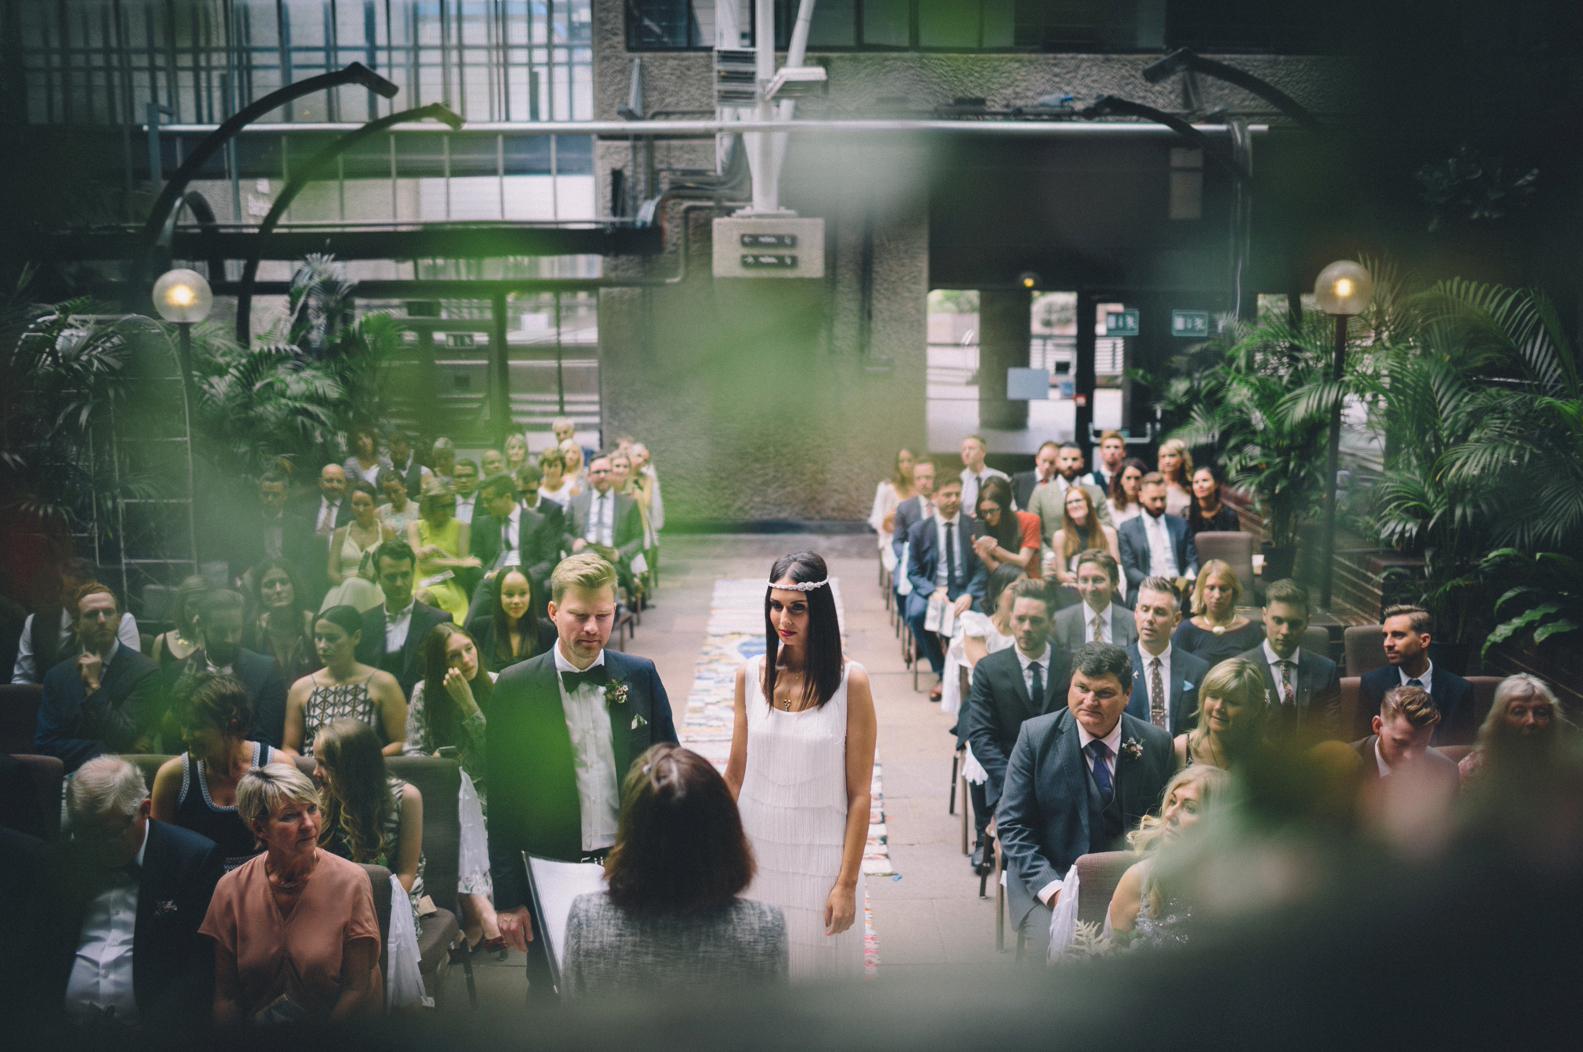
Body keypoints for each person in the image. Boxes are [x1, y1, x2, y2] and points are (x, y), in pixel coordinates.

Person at [486, 552, 678, 988]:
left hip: (631, 863)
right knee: (553, 989)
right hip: (553, 867)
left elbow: (671, 775)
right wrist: (510, 899)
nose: (592, 628)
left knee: (640, 987)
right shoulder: (514, 689)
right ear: (553, 612)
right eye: (579, 616)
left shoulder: (640, 675)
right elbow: (502, 802)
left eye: (603, 615)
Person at [726, 552, 876, 980]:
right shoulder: (749, 675)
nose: (783, 618)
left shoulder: (852, 683)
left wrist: (845, 884)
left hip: (821, 859)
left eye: (797, 608)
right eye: (776, 605)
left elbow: (860, 795)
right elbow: (734, 775)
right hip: (756, 855)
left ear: (820, 611)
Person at [994, 642, 1174, 960]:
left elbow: (1164, 824)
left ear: (1127, 693)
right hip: (1050, 881)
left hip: (1131, 883)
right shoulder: (1035, 738)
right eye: (1081, 688)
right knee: (1051, 960)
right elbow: (1012, 826)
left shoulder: (1156, 744)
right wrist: (1055, 893)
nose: (1089, 701)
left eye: (1103, 693)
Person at [565, 743, 788, 997]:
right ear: (725, 833)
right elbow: (773, 1030)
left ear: (630, 833)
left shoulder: (587, 921)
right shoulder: (763, 929)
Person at [36, 756, 225, 1029]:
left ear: (144, 810)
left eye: (110, 835)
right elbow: (37, 957)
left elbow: (198, 972)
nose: (94, 849)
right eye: (84, 835)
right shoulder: (60, 859)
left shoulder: (193, 860)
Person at [201, 762, 380, 1023]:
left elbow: (356, 989)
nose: (308, 824)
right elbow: (226, 996)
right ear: (259, 828)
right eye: (289, 815)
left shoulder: (351, 882)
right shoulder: (230, 889)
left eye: (312, 808)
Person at [403, 624, 502, 955]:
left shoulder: (498, 685)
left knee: (467, 816)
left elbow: (498, 758)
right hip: (443, 787)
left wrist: (469, 706)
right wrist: (432, 760)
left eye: (469, 649)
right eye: (453, 656)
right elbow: (412, 752)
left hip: (491, 787)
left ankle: (476, 921)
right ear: (439, 664)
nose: (466, 659)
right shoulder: (423, 692)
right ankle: (482, 916)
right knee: (456, 814)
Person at [964, 579, 1070, 876]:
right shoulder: (990, 669)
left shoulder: (1070, 665)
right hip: (1007, 776)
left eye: (1035, 621)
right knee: (1020, 838)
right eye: (1020, 619)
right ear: (1010, 618)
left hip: (1060, 775)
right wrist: (1016, 780)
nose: (1026, 627)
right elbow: (982, 737)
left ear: (1050, 623)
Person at [152, 674, 277, 871]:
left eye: (196, 727)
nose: (185, 735)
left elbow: (291, 842)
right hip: (199, 888)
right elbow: (160, 852)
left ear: (231, 725)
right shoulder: (172, 776)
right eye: (184, 724)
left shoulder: (274, 766)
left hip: (260, 883)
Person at [35, 583, 160, 772]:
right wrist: (112, 751)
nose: (102, 620)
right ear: (76, 625)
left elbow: (123, 736)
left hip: (123, 777)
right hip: (72, 776)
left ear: (118, 620)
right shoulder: (57, 675)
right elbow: (45, 744)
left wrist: (93, 686)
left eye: (108, 612)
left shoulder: (144, 670)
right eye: (92, 614)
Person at [312, 718, 425, 920]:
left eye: (324, 764)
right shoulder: (324, 799)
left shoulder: (406, 798)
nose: (315, 772)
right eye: (316, 761)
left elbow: (407, 873)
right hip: (343, 896)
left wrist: (368, 910)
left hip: (392, 898)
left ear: (353, 767)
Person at [1105, 764, 1231, 944]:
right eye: (1172, 801)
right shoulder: (1137, 879)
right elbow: (1110, 960)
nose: (1170, 814)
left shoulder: (1239, 888)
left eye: (1190, 808)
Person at [165, 589, 288, 748]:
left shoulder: (264, 669)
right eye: (219, 631)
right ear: (201, 626)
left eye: (235, 630)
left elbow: (270, 736)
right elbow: (170, 737)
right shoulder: (179, 672)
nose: (229, 639)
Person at [283, 604, 408, 756]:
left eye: (332, 638)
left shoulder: (383, 683)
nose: (322, 646)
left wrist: (368, 761)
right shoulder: (302, 687)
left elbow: (401, 742)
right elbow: (289, 747)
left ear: (356, 637)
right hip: (313, 772)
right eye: (318, 637)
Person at [905, 474, 987, 700]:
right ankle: (941, 672)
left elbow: (982, 567)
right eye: (947, 495)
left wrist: (970, 593)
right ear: (934, 497)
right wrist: (931, 591)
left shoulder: (974, 526)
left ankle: (977, 675)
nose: (953, 499)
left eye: (957, 494)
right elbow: (913, 571)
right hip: (934, 587)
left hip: (966, 588)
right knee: (917, 614)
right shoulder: (919, 530)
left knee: (982, 614)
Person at [1237, 578, 1341, 741]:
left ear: (1307, 621)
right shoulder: (1239, 668)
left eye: (1295, 623)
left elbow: (1330, 734)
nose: (1285, 631)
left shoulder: (1326, 670)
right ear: (1264, 615)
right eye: (1278, 620)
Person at [1359, 605, 1476, 745]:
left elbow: (1462, 749)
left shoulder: (1459, 689)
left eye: (1398, 635)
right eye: (1385, 635)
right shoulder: (1372, 683)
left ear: (1424, 640)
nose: (1387, 643)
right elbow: (1362, 744)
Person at [354, 539, 454, 701]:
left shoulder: (439, 620)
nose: (399, 583)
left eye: (405, 574)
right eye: (391, 577)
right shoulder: (364, 621)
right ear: (378, 577)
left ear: (413, 572)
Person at [13, 558, 140, 685]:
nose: (81, 601)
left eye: (88, 592)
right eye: (73, 593)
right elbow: (22, 679)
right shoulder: (36, 622)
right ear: (60, 593)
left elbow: (129, 677)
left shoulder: (121, 621)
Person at [1123, 577, 1210, 736]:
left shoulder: (1197, 669)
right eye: (1144, 609)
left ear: (1176, 619)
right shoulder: (1119, 665)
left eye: (1159, 612)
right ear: (1136, 612)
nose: (1149, 618)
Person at [1352, 684, 1460, 802]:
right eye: (1400, 743)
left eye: (1421, 745)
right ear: (1378, 726)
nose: (1409, 756)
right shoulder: (1339, 767)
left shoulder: (1446, 774)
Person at [1459, 674, 1569, 786]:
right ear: (1500, 720)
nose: (1531, 721)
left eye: (1540, 713)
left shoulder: (1567, 769)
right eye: (1519, 712)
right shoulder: (1477, 767)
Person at [229, 471, 317, 599]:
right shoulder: (246, 523)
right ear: (259, 494)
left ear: (285, 496)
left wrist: (289, 578)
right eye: (265, 494)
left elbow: (307, 561)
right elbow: (239, 558)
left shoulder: (299, 524)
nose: (269, 499)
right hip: (257, 577)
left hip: (289, 577)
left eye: (275, 495)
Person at [1117, 471, 1198, 607]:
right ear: (1141, 497)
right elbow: (1130, 569)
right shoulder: (1127, 529)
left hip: (1179, 589)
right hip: (1144, 589)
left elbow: (1192, 560)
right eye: (1154, 499)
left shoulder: (1180, 524)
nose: (1159, 504)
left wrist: (1188, 581)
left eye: (1163, 498)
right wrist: (1156, 587)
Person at [1174, 658, 1269, 771]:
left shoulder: (1268, 758)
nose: (1218, 707)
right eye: (1213, 696)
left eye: (1232, 702)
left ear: (1254, 709)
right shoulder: (1180, 749)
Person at [1171, 560, 1266, 668]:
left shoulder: (1251, 630)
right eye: (1211, 588)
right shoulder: (1186, 630)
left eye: (1223, 589)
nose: (1217, 595)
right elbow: (1176, 672)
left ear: (1233, 591)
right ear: (1201, 590)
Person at [407, 482, 477, 623]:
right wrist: (458, 562)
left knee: (421, 597)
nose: (448, 510)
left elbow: (463, 571)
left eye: (450, 505)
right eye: (442, 506)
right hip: (419, 582)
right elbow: (421, 564)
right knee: (414, 597)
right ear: (429, 507)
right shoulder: (415, 527)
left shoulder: (461, 526)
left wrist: (438, 551)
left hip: (449, 585)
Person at [320, 480, 394, 613]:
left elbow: (393, 567)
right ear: (350, 505)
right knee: (353, 585)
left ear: (374, 505)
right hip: (343, 588)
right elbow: (331, 572)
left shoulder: (386, 532)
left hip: (374, 588)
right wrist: (351, 581)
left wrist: (374, 577)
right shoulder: (341, 533)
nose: (361, 509)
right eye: (356, 504)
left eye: (366, 505)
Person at [244, 558, 318, 685]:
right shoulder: (252, 630)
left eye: (284, 582)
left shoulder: (315, 625)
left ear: (294, 586)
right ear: (259, 592)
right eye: (269, 585)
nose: (278, 590)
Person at [470, 568, 555, 673]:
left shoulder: (547, 631)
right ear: (498, 595)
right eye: (509, 594)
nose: (516, 601)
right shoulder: (479, 627)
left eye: (523, 593)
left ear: (531, 595)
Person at [566, 453, 644, 567]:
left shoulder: (628, 504)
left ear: (612, 474)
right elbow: (564, 533)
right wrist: (573, 543)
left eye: (606, 471)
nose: (602, 475)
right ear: (589, 476)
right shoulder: (576, 501)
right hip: (582, 561)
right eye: (597, 472)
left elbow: (639, 538)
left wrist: (620, 554)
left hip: (613, 563)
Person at [1052, 551, 1137, 651]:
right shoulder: (1060, 622)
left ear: (1115, 583)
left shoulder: (1132, 622)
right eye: (1084, 580)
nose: (1090, 588)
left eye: (1098, 580)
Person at [1045, 486, 1121, 589]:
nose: (1074, 505)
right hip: (1073, 585)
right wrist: (1083, 580)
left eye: (1078, 500)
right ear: (1066, 509)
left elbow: (1115, 567)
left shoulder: (1108, 533)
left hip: (1102, 583)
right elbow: (1061, 575)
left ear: (1088, 504)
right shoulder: (1060, 536)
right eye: (1069, 503)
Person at [972, 476, 1040, 577]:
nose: (988, 516)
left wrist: (994, 549)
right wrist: (985, 556)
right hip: (997, 579)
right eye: (984, 512)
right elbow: (993, 569)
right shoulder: (978, 523)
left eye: (992, 511)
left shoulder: (1029, 520)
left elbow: (1023, 561)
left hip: (1027, 579)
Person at [149, 573, 210, 673]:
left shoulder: (215, 642)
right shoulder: (161, 641)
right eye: (192, 604)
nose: (198, 611)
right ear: (182, 606)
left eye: (203, 605)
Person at [869, 449, 918, 550]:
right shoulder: (886, 487)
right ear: (897, 464)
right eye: (902, 461)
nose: (906, 465)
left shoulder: (921, 487)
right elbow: (877, 519)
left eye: (910, 460)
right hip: (891, 541)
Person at [958, 433, 1010, 512]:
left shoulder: (1000, 477)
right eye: (963, 449)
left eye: (971, 448)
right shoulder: (959, 480)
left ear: (983, 452)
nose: (966, 453)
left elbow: (1010, 508)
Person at [1186, 464, 1240, 537]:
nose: (1200, 485)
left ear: (1216, 484)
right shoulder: (1187, 513)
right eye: (1196, 482)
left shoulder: (1228, 513)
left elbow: (1235, 542)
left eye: (1205, 480)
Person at [304, 463, 353, 539]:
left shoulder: (352, 509)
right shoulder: (306, 509)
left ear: (345, 484)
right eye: (329, 480)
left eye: (339, 481)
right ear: (320, 482)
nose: (334, 485)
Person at [1010, 441, 1060, 512]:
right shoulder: (1019, 480)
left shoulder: (1060, 483)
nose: (1047, 466)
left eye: (1052, 463)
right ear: (1037, 459)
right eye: (1044, 461)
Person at [386, 428, 435, 499]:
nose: (398, 457)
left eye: (402, 453)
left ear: (409, 449)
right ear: (389, 450)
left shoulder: (423, 472)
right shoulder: (379, 472)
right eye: (394, 453)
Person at [374, 467, 420, 536]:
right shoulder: (379, 513)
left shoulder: (419, 510)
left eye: (396, 491)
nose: (392, 496)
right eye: (388, 493)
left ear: (404, 487)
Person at [1157, 437, 1193, 516]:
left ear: (1182, 458)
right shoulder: (1157, 484)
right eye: (1163, 456)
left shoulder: (1191, 484)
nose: (1167, 461)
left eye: (1172, 455)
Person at [1107, 456, 1147, 526]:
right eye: (1128, 478)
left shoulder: (1147, 505)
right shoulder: (1110, 506)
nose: (1133, 484)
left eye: (1137, 478)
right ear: (1120, 480)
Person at [1090, 429, 1128, 495]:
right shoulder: (1090, 480)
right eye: (1108, 447)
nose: (1112, 451)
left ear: (1124, 452)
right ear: (1101, 452)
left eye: (1116, 447)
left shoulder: (1130, 479)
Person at [450, 458, 481, 524]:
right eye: (458, 476)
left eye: (469, 476)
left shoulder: (486, 503)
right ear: (452, 480)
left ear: (477, 478)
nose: (463, 481)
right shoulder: (447, 503)